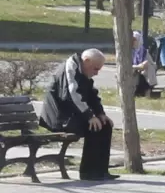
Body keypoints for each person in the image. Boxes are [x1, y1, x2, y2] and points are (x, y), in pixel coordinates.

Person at [40, 48, 115, 181]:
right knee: (94, 127)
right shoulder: (70, 70)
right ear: (86, 61)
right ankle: (88, 172)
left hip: (72, 115)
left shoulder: (83, 70)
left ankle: (101, 170)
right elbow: (71, 96)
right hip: (60, 118)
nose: (96, 73)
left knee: (105, 125)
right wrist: (90, 116)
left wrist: (100, 113)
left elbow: (92, 94)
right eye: (95, 69)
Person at [132, 31, 157, 98]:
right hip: (138, 71)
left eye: (134, 40)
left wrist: (134, 67)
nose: (132, 41)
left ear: (138, 40)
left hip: (145, 73)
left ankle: (147, 93)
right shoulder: (133, 51)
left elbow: (144, 65)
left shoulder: (143, 51)